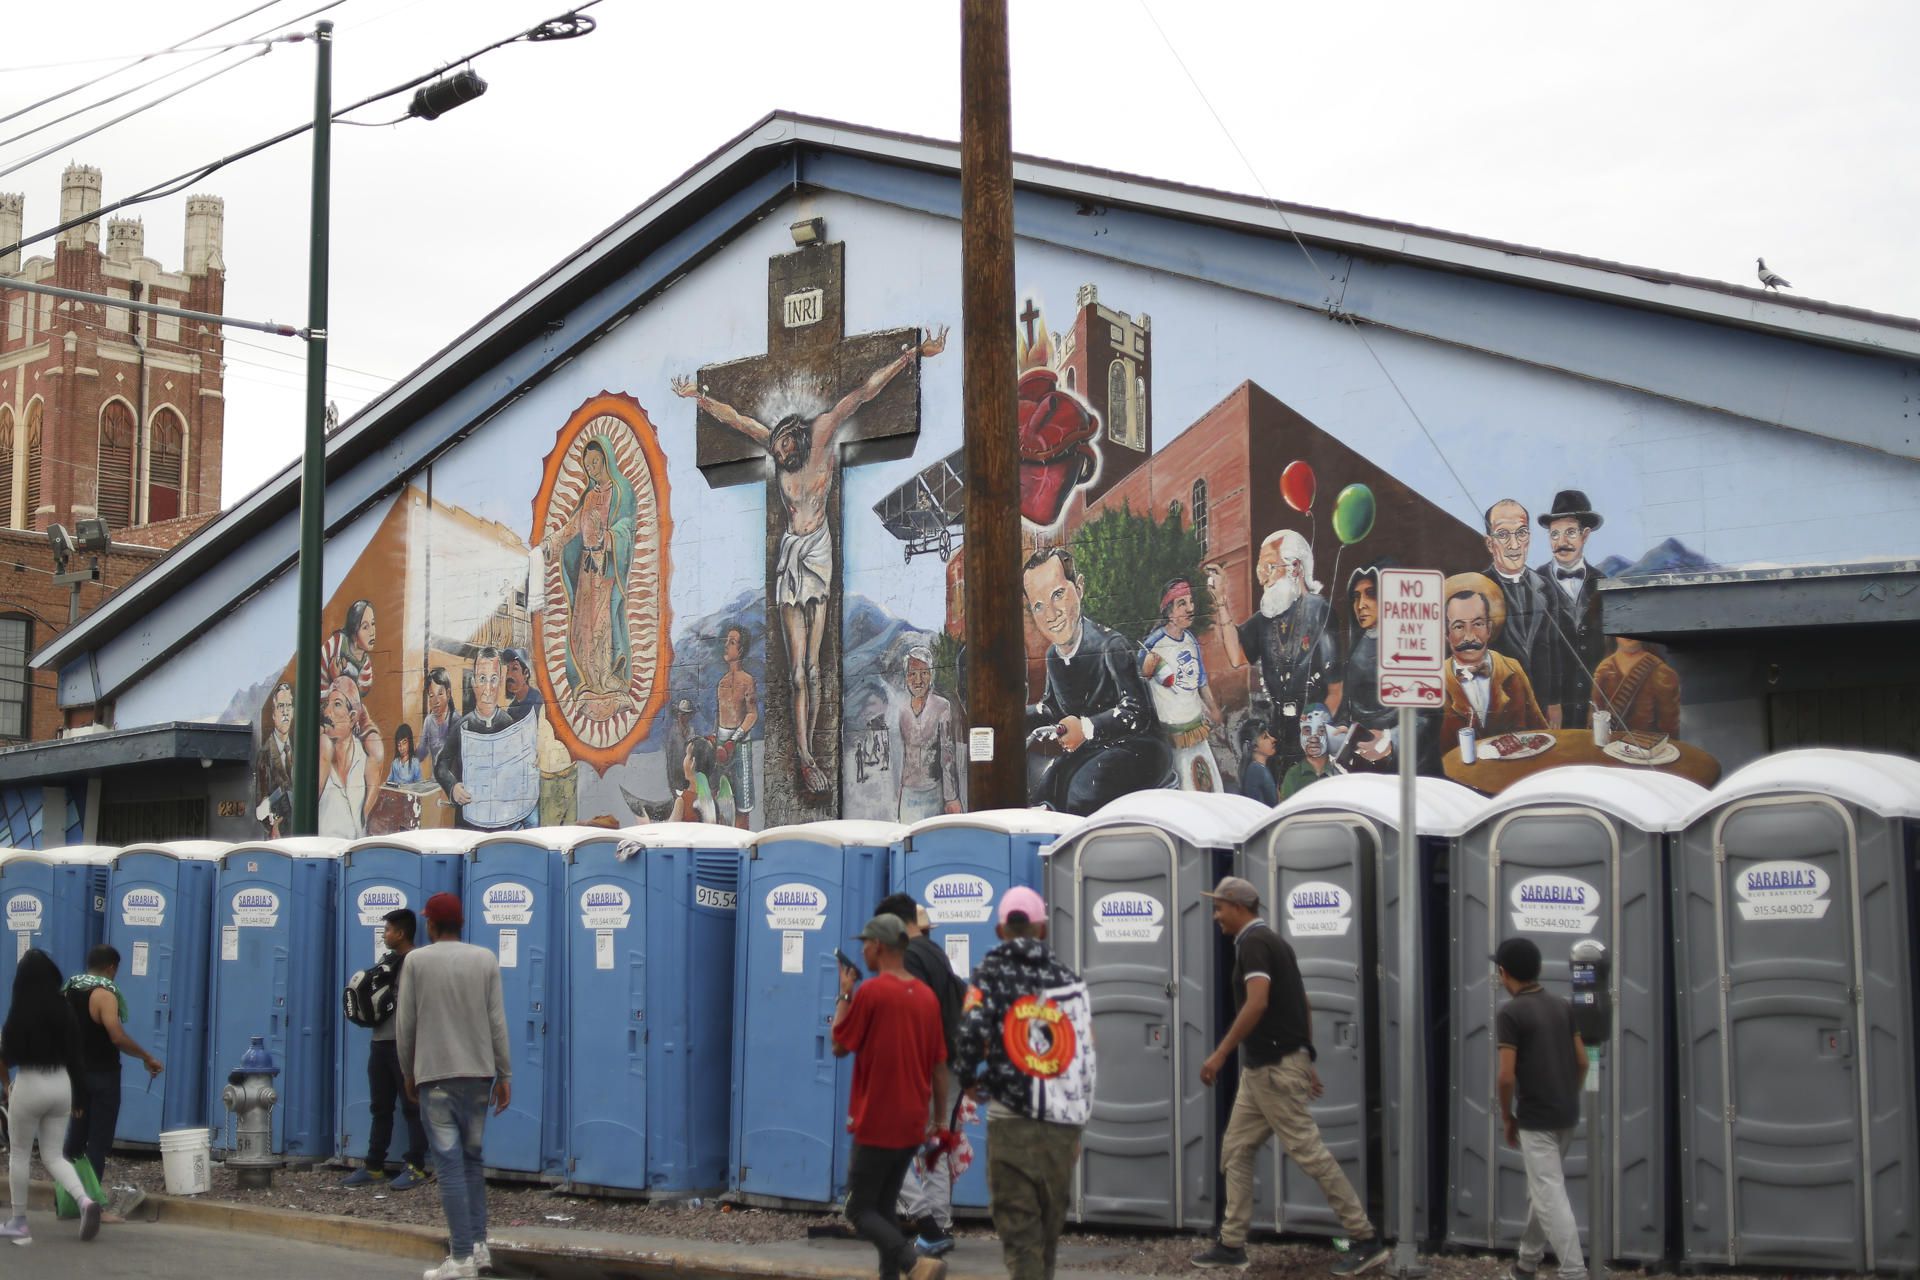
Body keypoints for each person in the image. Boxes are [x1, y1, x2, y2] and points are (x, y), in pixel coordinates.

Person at [674, 326, 948, 796]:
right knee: (796, 670)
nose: (780, 454)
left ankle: (815, 751)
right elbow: (737, 420)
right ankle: (802, 756)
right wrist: (699, 397)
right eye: (775, 451)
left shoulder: (820, 435)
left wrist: (912, 357)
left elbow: (862, 394)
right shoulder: (775, 450)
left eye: (784, 448)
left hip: (818, 551)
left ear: (798, 438)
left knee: (817, 668)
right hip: (791, 554)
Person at [1193, 877, 1386, 1274]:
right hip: (1267, 1067)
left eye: (1219, 908)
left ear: (1238, 906)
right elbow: (1301, 1001)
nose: (1216, 916)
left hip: (1272, 1070)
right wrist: (1305, 1054)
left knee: (1309, 1153)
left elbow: (1258, 1001)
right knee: (1236, 1150)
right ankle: (1232, 1244)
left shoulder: (1254, 944)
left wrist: (1220, 1053)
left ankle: (1365, 1237)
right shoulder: (1273, 942)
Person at [953, 886, 1095, 1280]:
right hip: (1061, 1125)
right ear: (1043, 929)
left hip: (1011, 1119)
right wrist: (1078, 1124)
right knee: (1047, 1234)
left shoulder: (989, 974)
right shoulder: (1068, 980)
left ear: (1001, 930)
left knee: (1020, 1235)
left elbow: (969, 1033)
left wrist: (968, 1080)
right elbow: (1086, 1057)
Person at [830, 914, 950, 1280]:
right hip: (912, 1122)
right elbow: (939, 1066)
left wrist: (845, 992)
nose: (862, 949)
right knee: (883, 1209)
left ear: (878, 946)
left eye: (865, 943)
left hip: (877, 1121)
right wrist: (939, 1118)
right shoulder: (926, 997)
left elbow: (838, 1044)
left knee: (858, 1209)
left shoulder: (871, 993)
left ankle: (913, 1262)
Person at [398, 893, 511, 1280]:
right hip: (479, 1077)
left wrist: (408, 1071)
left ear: (431, 925)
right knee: (473, 1162)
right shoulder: (485, 959)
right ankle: (479, 1248)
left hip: (436, 1077)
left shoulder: (416, 961)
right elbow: (497, 1021)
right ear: (460, 923)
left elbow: (406, 1025)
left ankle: (460, 1257)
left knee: (448, 1167)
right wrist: (505, 1074)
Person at [1021, 547, 1169, 814]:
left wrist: (1087, 728)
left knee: (1081, 791)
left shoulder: (1111, 645)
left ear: (1079, 588)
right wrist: (1016, 718)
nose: (1050, 614)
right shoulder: (1052, 655)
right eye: (1038, 606)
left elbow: (1137, 711)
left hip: (1138, 748)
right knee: (1045, 790)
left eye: (1058, 595)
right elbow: (1053, 707)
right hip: (1093, 749)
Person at [875, 892, 964, 1256]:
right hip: (950, 1064)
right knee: (934, 1145)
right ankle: (938, 1227)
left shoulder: (910, 957)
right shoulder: (936, 953)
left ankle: (927, 1221)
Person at [1494, 937, 1588, 1280]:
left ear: (1503, 973)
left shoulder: (1510, 1012)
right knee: (1544, 1189)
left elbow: (1505, 1077)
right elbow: (1582, 1061)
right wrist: (1567, 1094)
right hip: (1567, 1114)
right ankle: (1526, 1263)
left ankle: (1575, 1272)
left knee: (1549, 1195)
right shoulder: (1562, 1006)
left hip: (1536, 1120)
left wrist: (1507, 1116)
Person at [1210, 530, 1342, 767]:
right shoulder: (1265, 619)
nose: (1262, 579)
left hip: (1314, 739)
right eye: (1260, 570)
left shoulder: (1318, 610)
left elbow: (1336, 690)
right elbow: (1236, 655)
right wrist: (1220, 601)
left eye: (1269, 568)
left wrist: (1317, 739)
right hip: (1279, 737)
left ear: (1296, 568)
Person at [0, 949, 100, 1244]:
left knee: (19, 1154)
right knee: (54, 1155)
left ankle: (19, 1223)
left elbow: (6, 1057)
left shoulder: (18, 1012)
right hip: (62, 1086)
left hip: (30, 1083)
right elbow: (76, 1058)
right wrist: (80, 1098)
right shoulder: (65, 1009)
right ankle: (84, 1201)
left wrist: (7, 1085)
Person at [540, 437, 638, 705]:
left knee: (601, 624)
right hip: (586, 570)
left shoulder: (621, 491)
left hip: (606, 569)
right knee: (583, 625)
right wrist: (553, 542)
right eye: (587, 465)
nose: (592, 469)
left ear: (607, 460)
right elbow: (574, 527)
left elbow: (628, 527)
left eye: (596, 462)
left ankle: (606, 678)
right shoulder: (590, 496)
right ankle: (589, 680)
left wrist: (609, 539)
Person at [343, 908, 430, 1192]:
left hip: (403, 1045)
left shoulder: (417, 961)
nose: (385, 935)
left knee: (411, 1107)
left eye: (389, 930)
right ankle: (374, 1167)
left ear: (401, 933)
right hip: (380, 1043)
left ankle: (416, 1166)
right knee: (380, 1107)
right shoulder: (388, 961)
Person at [61, 945, 162, 1189]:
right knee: (98, 1140)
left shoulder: (69, 990)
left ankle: (66, 1198)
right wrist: (146, 1056)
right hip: (102, 1077)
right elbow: (116, 1036)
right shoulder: (104, 995)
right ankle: (93, 1204)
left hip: (75, 1075)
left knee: (75, 1137)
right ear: (111, 968)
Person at [434, 649, 537, 831]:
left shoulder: (510, 726)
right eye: (482, 679)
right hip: (469, 826)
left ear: (501, 682)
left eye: (493, 679)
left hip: (505, 825)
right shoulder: (462, 726)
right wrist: (453, 787)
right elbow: (441, 764)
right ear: (473, 683)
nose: (488, 689)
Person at [1140, 576, 1226, 793]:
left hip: (1197, 730)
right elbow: (1138, 683)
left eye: (1190, 602)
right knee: (1186, 790)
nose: (1190, 609)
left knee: (1211, 787)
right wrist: (1145, 670)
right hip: (1172, 737)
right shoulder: (1153, 645)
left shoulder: (1191, 640)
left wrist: (1213, 708)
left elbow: (1201, 681)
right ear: (1168, 612)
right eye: (1182, 604)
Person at [1481, 501, 1559, 726]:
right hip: (1498, 709)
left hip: (1540, 705)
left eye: (1521, 533)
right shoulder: (1478, 590)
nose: (1514, 544)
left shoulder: (1545, 587)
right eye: (1503, 534)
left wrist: (1554, 703)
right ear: (1489, 543)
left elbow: (1552, 649)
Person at [1534, 491, 1607, 730]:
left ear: (1585, 535)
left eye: (1570, 532)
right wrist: (1551, 702)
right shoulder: (1533, 583)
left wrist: (1600, 703)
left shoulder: (1602, 582)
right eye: (1554, 534)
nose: (1561, 541)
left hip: (1593, 708)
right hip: (1551, 709)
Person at [1440, 586, 1549, 745]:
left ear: (1489, 629)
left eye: (1477, 624)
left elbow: (1541, 731)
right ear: (1447, 635)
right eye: (1459, 626)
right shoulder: (1435, 680)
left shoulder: (1512, 669)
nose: (1469, 636)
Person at [896, 646, 962, 823]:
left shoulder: (942, 706)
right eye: (912, 674)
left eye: (924, 673)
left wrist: (951, 798)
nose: (918, 680)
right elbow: (897, 760)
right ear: (906, 677)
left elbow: (947, 755)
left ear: (931, 675)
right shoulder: (900, 711)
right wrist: (896, 801)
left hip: (934, 792)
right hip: (908, 794)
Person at [320, 674, 385, 840]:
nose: (327, 712)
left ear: (352, 716)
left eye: (337, 705)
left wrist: (365, 720)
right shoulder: (321, 756)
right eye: (327, 704)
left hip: (355, 858)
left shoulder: (363, 758)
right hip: (322, 855)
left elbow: (378, 754)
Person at [1590, 637, 1680, 739]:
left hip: (1647, 749)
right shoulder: (1604, 669)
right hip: (1609, 748)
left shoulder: (1662, 672)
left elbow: (1670, 731)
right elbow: (1594, 721)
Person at [715, 623, 760, 828]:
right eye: (726, 641)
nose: (726, 646)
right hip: (722, 745)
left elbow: (752, 714)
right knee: (722, 799)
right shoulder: (722, 683)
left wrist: (735, 739)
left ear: (740, 650)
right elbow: (721, 717)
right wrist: (716, 740)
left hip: (740, 745)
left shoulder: (747, 681)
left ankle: (743, 843)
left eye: (731, 642)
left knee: (743, 801)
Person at [323, 599, 379, 696]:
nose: (372, 632)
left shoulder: (366, 666)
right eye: (365, 627)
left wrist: (337, 678)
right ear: (354, 632)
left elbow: (354, 700)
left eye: (373, 624)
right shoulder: (335, 645)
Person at [419, 667, 456, 773]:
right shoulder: (429, 721)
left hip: (453, 784)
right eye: (431, 695)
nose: (436, 701)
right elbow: (422, 752)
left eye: (440, 694)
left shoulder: (457, 721)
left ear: (448, 694)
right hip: (435, 782)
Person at [1235, 719, 1280, 805]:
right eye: (1265, 737)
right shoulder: (1258, 770)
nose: (1273, 739)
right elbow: (1274, 804)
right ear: (1254, 746)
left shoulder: (1256, 768)